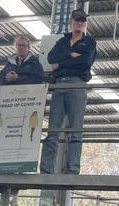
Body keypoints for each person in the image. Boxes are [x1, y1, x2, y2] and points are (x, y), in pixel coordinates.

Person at [40, 9, 97, 175]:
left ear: (85, 23)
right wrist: (70, 56)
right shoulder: (62, 41)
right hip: (59, 85)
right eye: (77, 20)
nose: (80, 23)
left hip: (77, 84)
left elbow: (85, 63)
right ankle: (46, 168)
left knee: (76, 129)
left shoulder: (90, 42)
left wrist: (62, 62)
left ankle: (73, 169)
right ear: (71, 22)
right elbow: (51, 59)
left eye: (83, 20)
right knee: (53, 130)